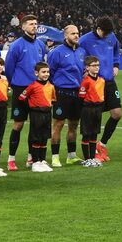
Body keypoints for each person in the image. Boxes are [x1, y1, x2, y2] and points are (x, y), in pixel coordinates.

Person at [78, 17, 122, 162]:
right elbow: (78, 56)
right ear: (98, 28)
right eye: (105, 32)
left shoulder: (111, 36)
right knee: (95, 115)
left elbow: (116, 50)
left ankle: (101, 144)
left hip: (109, 81)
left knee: (117, 114)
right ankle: (92, 150)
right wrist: (83, 70)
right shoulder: (85, 40)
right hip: (95, 83)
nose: (107, 35)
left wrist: (116, 64)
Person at [4, 15, 45, 171]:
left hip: (36, 89)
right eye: (30, 24)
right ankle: (11, 159)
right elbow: (9, 68)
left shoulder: (41, 45)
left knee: (35, 125)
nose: (34, 26)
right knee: (19, 124)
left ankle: (31, 158)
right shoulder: (16, 45)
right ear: (23, 27)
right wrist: (15, 84)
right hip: (21, 88)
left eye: (36, 23)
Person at [47, 24, 84, 167]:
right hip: (61, 93)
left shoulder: (81, 51)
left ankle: (71, 156)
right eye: (73, 33)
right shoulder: (56, 52)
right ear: (65, 36)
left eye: (77, 33)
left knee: (74, 125)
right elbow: (50, 73)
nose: (76, 35)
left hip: (77, 93)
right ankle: (55, 157)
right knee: (58, 124)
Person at [20, 61, 56, 172]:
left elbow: (53, 100)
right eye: (43, 72)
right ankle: (35, 162)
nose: (46, 74)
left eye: (48, 72)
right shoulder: (32, 86)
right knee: (36, 137)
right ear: (36, 73)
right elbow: (22, 97)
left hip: (47, 114)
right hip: (36, 114)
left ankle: (42, 160)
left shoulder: (51, 86)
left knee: (44, 137)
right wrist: (32, 106)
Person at [79, 56, 106, 168]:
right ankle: (87, 159)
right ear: (87, 67)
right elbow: (81, 97)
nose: (96, 68)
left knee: (94, 133)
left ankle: (93, 157)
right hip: (88, 108)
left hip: (97, 108)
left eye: (98, 65)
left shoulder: (102, 80)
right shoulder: (85, 81)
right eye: (94, 65)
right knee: (86, 134)